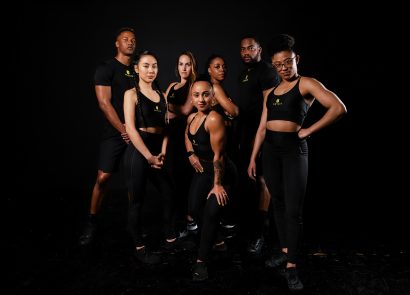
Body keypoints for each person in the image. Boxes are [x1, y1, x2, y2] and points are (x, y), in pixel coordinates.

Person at [247, 33, 347, 291]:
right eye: (278, 65)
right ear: (272, 64)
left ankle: (291, 265)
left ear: (296, 58)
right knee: (277, 203)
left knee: (293, 209)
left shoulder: (306, 84)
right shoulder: (270, 91)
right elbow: (261, 128)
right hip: (269, 151)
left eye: (288, 63)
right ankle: (283, 249)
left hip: (293, 151)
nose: (284, 68)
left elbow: (338, 108)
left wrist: (308, 130)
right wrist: (252, 157)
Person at [79, 27, 136, 246]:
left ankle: (134, 224)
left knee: (134, 179)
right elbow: (104, 104)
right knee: (103, 178)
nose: (130, 42)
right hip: (115, 133)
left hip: (135, 133)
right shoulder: (106, 68)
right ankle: (92, 222)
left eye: (133, 40)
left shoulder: (139, 69)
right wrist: (123, 131)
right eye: (125, 39)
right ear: (117, 43)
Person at [123, 50, 178, 264]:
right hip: (140, 150)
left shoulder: (162, 95)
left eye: (154, 65)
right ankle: (139, 246)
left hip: (158, 150)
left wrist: (162, 152)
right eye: (145, 66)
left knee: (169, 192)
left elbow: (166, 128)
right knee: (137, 200)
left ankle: (171, 237)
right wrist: (149, 157)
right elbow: (130, 128)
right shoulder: (131, 94)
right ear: (136, 69)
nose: (150, 70)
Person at [185, 80, 236, 281]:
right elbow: (187, 136)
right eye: (196, 95)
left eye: (206, 94)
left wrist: (217, 184)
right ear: (191, 97)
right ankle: (218, 239)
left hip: (221, 172)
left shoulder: (214, 119)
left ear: (213, 97)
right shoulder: (191, 118)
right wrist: (190, 153)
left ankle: (201, 262)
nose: (201, 99)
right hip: (203, 170)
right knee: (193, 209)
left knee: (211, 212)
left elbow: (219, 156)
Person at [234, 35, 280, 254]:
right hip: (244, 133)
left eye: (250, 48)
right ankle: (257, 224)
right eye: (242, 49)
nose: (246, 52)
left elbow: (268, 107)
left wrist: (258, 137)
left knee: (262, 180)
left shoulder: (268, 71)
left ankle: (261, 232)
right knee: (248, 179)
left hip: (261, 133)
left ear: (259, 49)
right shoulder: (244, 73)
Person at [164, 51, 198, 237]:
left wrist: (166, 106)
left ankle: (190, 219)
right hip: (169, 137)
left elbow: (186, 110)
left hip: (183, 137)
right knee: (172, 177)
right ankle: (178, 218)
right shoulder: (172, 85)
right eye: (180, 64)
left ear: (192, 66)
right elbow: (163, 111)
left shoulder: (194, 86)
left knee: (185, 178)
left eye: (187, 64)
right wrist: (170, 112)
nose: (184, 67)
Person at [204, 54, 239, 237]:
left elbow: (230, 115)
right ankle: (223, 221)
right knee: (227, 178)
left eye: (224, 66)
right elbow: (235, 110)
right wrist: (230, 111)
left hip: (225, 141)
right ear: (209, 70)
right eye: (217, 66)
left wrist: (229, 116)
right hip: (219, 144)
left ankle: (221, 220)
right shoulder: (215, 88)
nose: (222, 69)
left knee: (226, 178)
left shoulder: (216, 88)